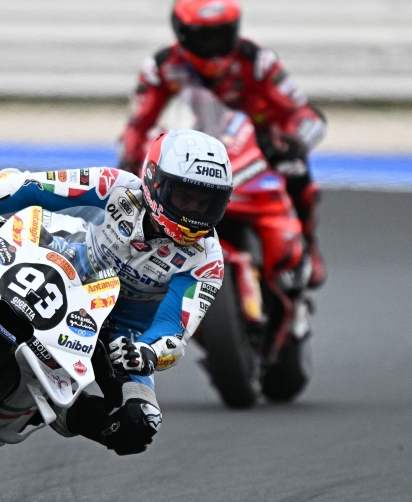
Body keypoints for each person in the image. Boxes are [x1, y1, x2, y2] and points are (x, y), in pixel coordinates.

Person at [0, 129, 232, 455]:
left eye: (207, 203)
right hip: (61, 263)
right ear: (153, 181)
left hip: (118, 334)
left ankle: (42, 410)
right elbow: (32, 186)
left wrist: (147, 353)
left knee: (140, 424)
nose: (194, 213)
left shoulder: (207, 260)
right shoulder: (115, 185)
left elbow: (174, 330)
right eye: (185, 198)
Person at [119, 0, 327, 287]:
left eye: (221, 36)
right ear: (182, 34)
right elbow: (138, 123)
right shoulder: (162, 67)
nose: (214, 48)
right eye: (204, 38)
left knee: (297, 172)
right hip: (194, 149)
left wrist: (292, 141)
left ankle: (307, 244)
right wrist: (130, 159)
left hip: (259, 147)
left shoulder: (258, 61)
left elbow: (300, 112)